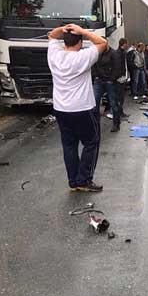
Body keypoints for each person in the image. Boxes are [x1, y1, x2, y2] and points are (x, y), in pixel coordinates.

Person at [47, 23, 107, 193]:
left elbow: (52, 35)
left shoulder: (54, 55)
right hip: (81, 108)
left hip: (60, 109)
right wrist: (82, 31)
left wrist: (63, 28)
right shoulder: (83, 57)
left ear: (64, 41)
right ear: (79, 42)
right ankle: (84, 179)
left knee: (69, 145)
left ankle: (73, 181)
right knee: (91, 142)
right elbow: (102, 43)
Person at [92, 43, 122, 132]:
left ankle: (116, 123)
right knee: (94, 103)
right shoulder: (98, 53)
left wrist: (112, 79)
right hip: (99, 80)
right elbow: (93, 65)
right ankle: (95, 125)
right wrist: (96, 76)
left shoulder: (114, 53)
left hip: (110, 81)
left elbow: (117, 68)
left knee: (113, 103)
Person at [114, 37, 130, 120]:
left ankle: (120, 112)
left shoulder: (123, 52)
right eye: (126, 43)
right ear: (123, 44)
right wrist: (120, 77)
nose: (127, 45)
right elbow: (118, 66)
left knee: (121, 96)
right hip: (120, 78)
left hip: (123, 77)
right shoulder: (118, 53)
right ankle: (119, 113)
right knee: (119, 96)